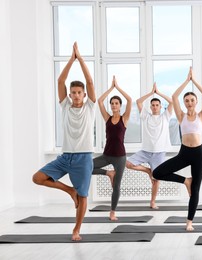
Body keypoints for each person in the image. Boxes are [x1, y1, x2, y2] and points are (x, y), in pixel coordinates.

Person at [32, 42, 96, 241]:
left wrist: (81, 60)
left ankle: (76, 230)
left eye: (79, 93)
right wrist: (71, 59)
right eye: (73, 92)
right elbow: (60, 81)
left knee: (84, 196)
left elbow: (90, 81)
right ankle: (70, 191)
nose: (76, 95)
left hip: (84, 158)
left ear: (84, 95)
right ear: (70, 95)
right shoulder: (65, 106)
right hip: (65, 156)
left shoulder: (90, 107)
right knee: (38, 178)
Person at [153, 67, 202, 231]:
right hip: (184, 153)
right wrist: (186, 81)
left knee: (196, 189)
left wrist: (194, 81)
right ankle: (185, 180)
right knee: (157, 173)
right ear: (184, 103)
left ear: (196, 102)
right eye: (187, 101)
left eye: (192, 100)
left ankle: (189, 221)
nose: (189, 103)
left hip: (199, 154)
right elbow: (174, 97)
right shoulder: (181, 116)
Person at [126, 82, 173, 209]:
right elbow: (138, 101)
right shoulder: (146, 116)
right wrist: (151, 93)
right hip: (146, 151)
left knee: (157, 178)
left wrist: (159, 93)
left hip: (159, 152)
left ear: (160, 106)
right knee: (128, 163)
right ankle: (148, 171)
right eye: (153, 105)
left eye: (157, 105)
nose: (155, 107)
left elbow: (172, 102)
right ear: (151, 107)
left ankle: (152, 201)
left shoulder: (165, 117)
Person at [92, 76, 132, 221]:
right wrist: (111, 88)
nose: (114, 105)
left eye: (116, 103)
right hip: (107, 155)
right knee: (87, 166)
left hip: (120, 157)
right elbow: (99, 101)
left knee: (117, 186)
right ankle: (108, 173)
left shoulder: (124, 118)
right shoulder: (107, 118)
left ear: (120, 105)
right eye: (112, 103)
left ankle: (112, 212)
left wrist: (118, 87)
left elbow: (130, 100)